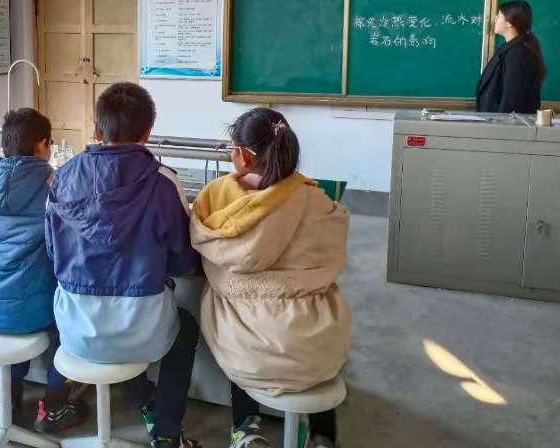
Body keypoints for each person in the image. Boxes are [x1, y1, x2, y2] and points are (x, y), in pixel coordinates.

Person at [46, 82, 201, 448]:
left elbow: (53, 252)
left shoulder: (61, 177)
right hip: (140, 326)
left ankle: (129, 398)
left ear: (96, 129)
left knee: (105, 325)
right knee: (186, 328)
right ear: (148, 133)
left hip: (76, 328)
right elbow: (182, 260)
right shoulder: (163, 183)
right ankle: (167, 432)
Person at [190, 108, 350, 448]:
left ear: (242, 155)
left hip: (249, 353)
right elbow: (332, 259)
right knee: (320, 317)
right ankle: (323, 435)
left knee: (239, 315)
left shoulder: (216, 196)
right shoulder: (316, 200)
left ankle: (245, 427)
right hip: (318, 351)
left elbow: (203, 249)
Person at [0, 108, 87, 432]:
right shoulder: (54, 183)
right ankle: (55, 405)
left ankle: (6, 398)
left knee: (19, 302)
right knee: (70, 325)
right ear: (41, 145)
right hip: (27, 309)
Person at [475, 0, 547, 114]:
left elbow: (512, 100)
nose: (495, 19)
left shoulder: (519, 54)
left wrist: (502, 122)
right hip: (495, 119)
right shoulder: (510, 48)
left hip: (505, 122)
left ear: (509, 23)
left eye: (498, 16)